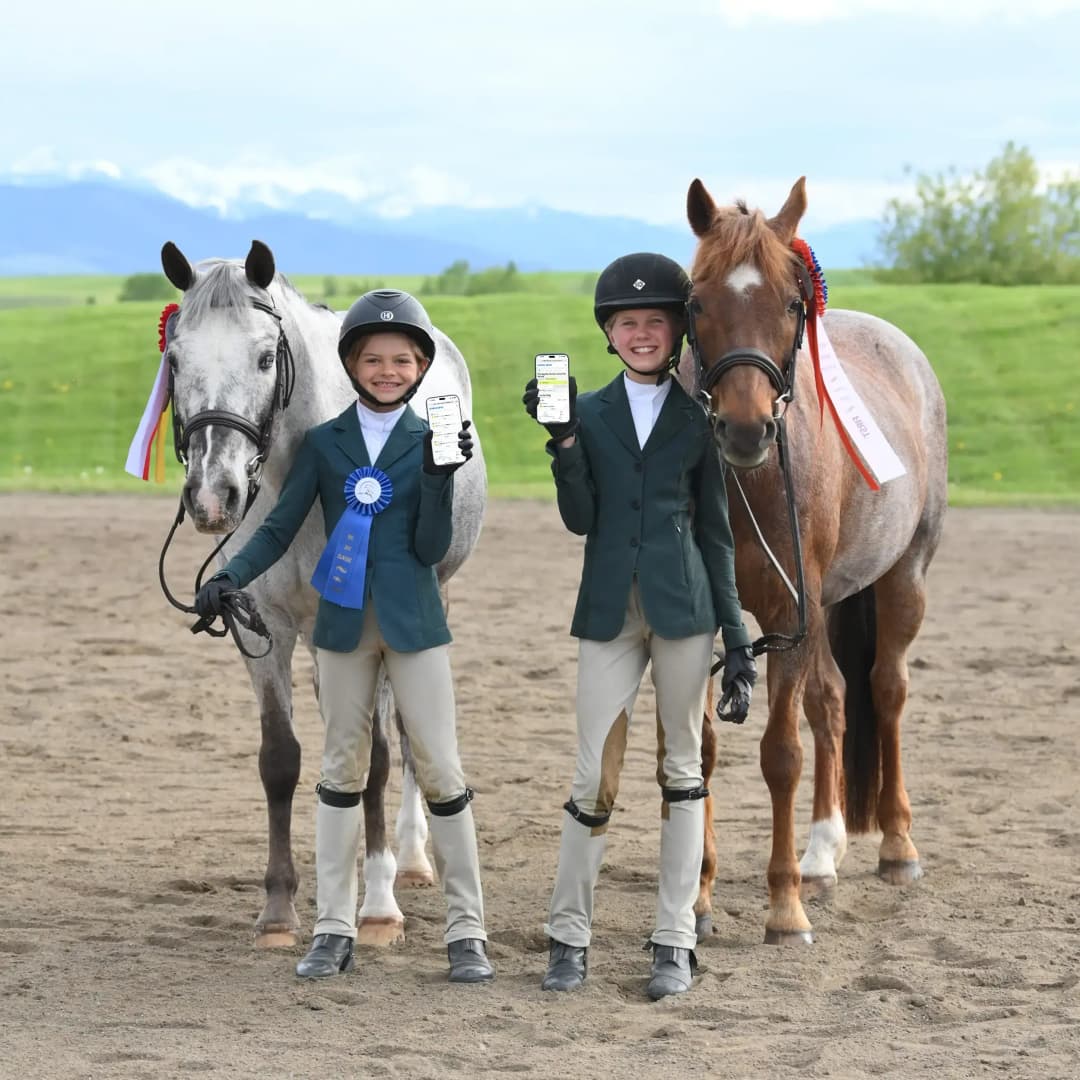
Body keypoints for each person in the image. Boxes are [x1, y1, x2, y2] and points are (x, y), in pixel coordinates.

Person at [195, 290, 493, 984]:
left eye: (402, 361)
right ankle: (332, 926)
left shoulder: (433, 441)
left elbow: (433, 548)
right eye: (372, 360)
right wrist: (228, 575)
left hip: (414, 628)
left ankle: (467, 929)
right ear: (350, 365)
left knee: (443, 772)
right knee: (339, 772)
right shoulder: (324, 444)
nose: (387, 372)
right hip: (341, 626)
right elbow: (278, 526)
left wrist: (441, 480)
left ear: (422, 369)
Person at [522, 253, 757, 1000]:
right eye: (628, 323)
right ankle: (568, 936)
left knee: (683, 772)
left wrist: (737, 638)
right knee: (593, 773)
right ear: (609, 334)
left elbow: (717, 536)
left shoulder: (700, 420)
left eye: (656, 321)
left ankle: (674, 939)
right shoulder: (589, 413)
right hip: (608, 613)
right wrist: (563, 442)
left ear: (678, 331)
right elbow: (580, 519)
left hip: (685, 610)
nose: (643, 333)